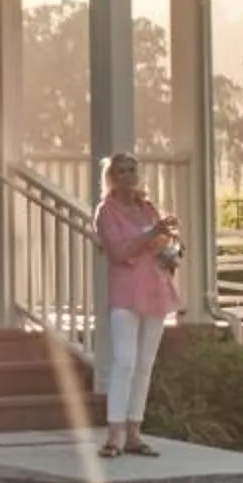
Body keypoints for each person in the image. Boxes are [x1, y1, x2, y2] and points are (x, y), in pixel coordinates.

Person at [93, 152, 180, 461]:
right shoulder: (107, 211)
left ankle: (134, 432)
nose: (129, 175)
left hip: (155, 289)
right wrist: (151, 235)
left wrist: (170, 249)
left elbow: (159, 246)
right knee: (124, 361)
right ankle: (113, 434)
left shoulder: (147, 209)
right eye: (122, 171)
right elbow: (118, 252)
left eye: (133, 170)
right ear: (112, 177)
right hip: (125, 293)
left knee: (144, 365)